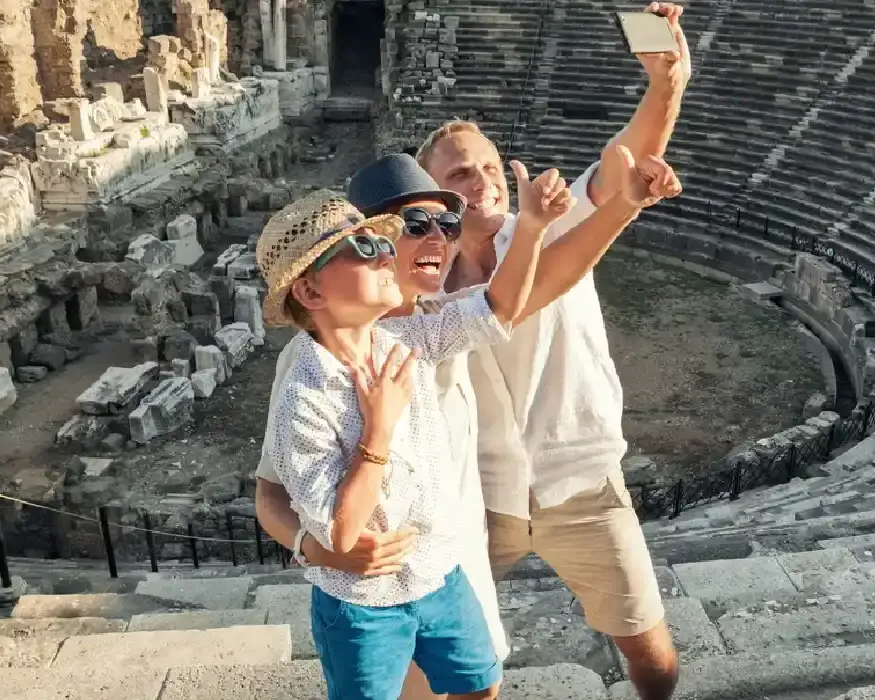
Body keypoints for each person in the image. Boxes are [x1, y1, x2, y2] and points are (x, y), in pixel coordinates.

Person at [255, 148, 682, 700]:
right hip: (376, 584)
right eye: (409, 226)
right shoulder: (311, 363)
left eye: (447, 223)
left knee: (480, 684)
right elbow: (270, 494)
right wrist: (316, 549)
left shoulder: (436, 323)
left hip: (450, 561)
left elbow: (535, 282)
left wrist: (610, 206)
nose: (435, 236)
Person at [414, 5, 693, 699]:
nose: (479, 181)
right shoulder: (418, 285)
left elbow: (622, 162)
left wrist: (665, 86)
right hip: (477, 494)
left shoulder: (546, 229)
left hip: (580, 478)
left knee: (650, 650)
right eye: (458, 175)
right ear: (432, 197)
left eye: (486, 166)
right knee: (429, 651)